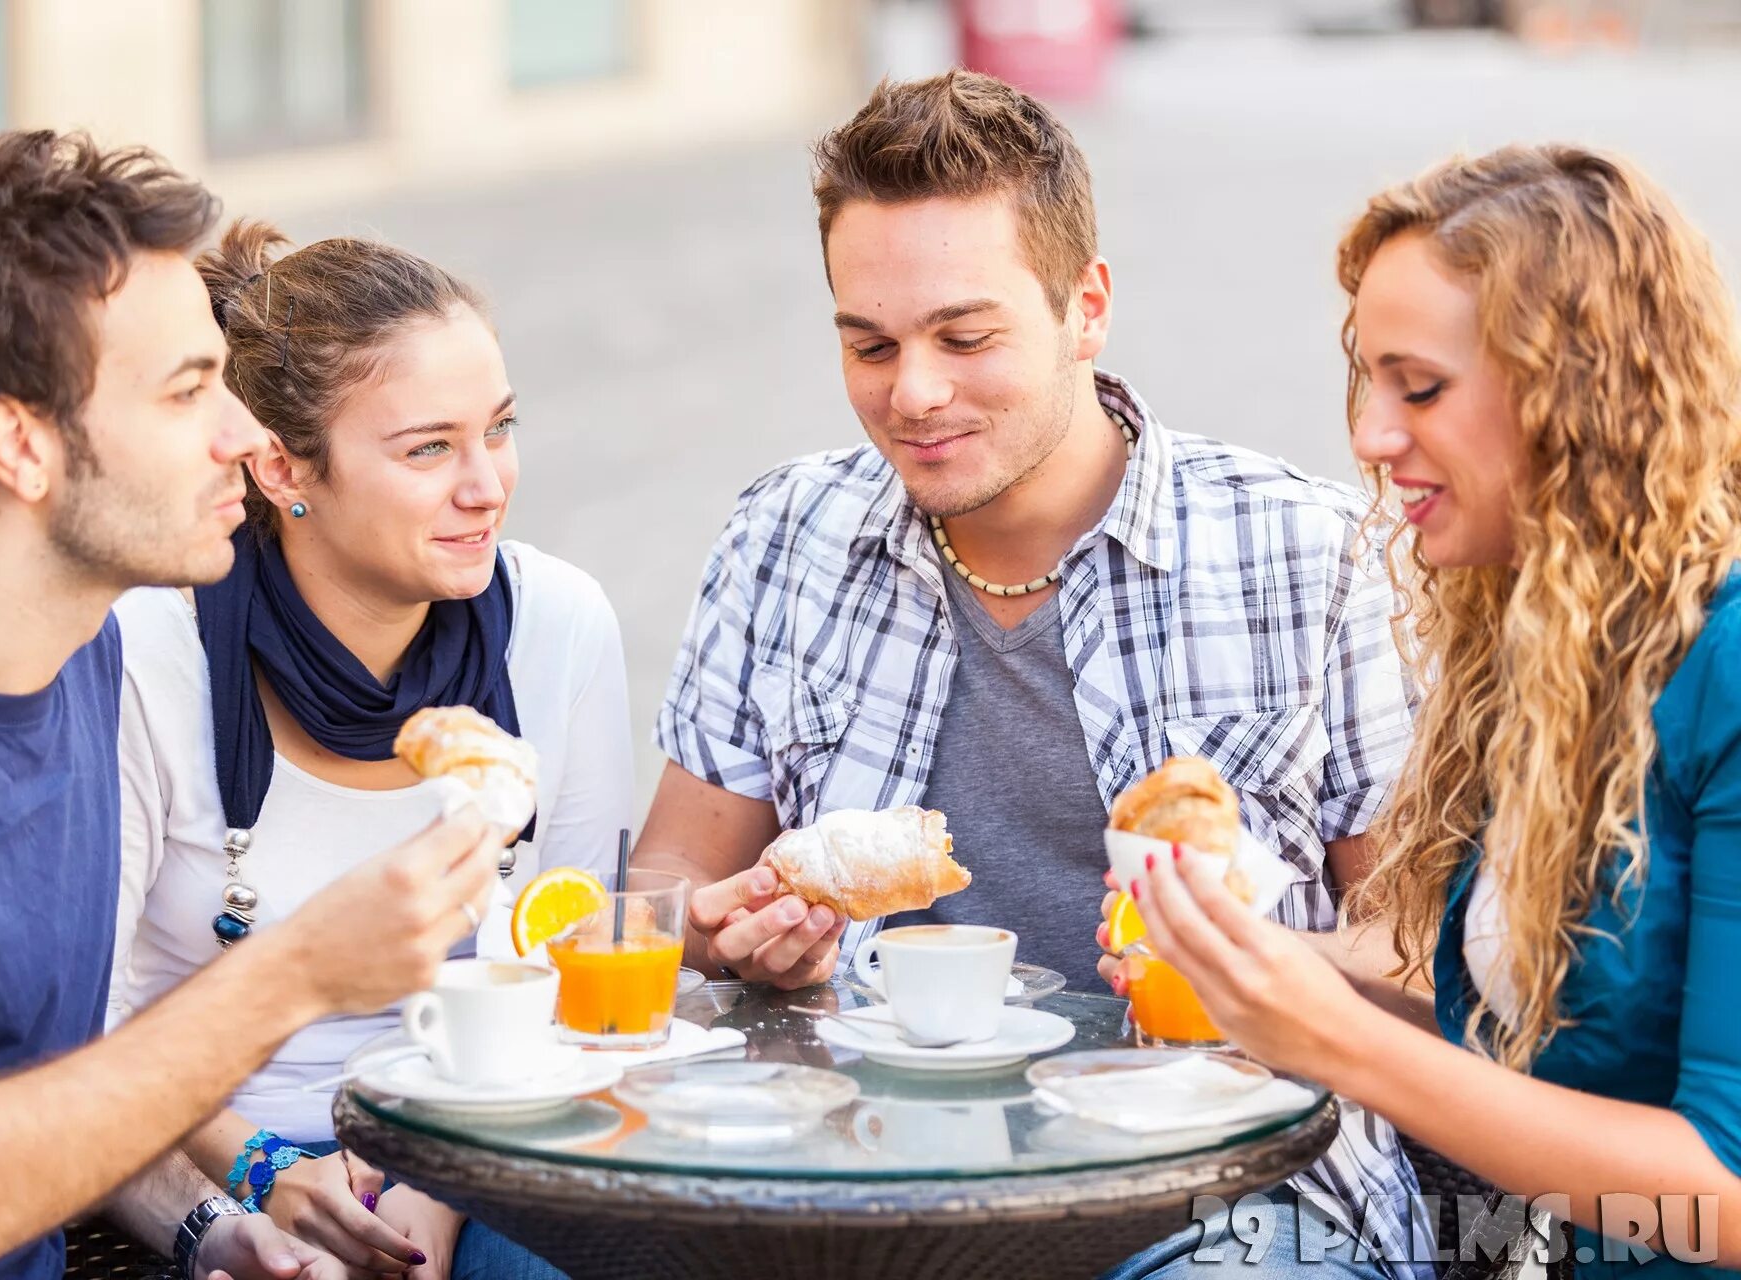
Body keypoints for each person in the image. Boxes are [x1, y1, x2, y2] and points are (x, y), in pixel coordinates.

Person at [635, 71, 1424, 1276]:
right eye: (869, 343)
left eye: (966, 335)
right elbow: (673, 874)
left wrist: (1255, 968)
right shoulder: (782, 535)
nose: (913, 393)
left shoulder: (1305, 551)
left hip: (1227, 1195)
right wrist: (719, 929)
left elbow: (1423, 950)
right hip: (858, 1179)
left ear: (1086, 305)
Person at [0, 131, 504, 1280]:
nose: (243, 436)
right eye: (192, 389)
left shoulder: (84, 654)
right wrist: (295, 972)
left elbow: (49, 1088)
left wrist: (213, 1224)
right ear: (21, 443)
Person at [1126, 144, 1741, 1276]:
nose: (1368, 434)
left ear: (1580, 390)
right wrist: (1272, 971)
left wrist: (1339, 1038)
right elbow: (1522, 1053)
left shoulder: (1729, 663)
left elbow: (1724, 1192)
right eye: (1366, 378)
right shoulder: (1549, 638)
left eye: (1420, 386)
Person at [109, 220, 629, 1280]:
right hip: (198, 1159)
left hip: (480, 1138)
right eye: (429, 448)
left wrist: (435, 1184)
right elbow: (80, 1027)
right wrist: (254, 1175)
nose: (486, 483)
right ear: (282, 463)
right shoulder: (144, 650)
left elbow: (582, 973)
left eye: (500, 428)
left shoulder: (561, 625)